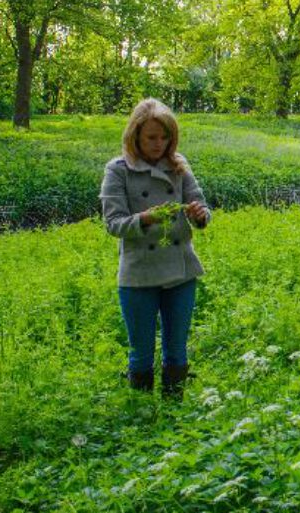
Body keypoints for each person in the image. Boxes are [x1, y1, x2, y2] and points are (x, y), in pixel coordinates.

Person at [99, 98, 211, 398]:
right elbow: (113, 223)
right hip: (139, 274)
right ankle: (142, 411)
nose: (158, 144)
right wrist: (146, 218)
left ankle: (175, 409)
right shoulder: (118, 170)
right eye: (151, 137)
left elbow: (201, 205)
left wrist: (200, 215)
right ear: (135, 135)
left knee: (177, 348)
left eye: (165, 138)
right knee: (141, 350)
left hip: (180, 270)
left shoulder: (178, 164)